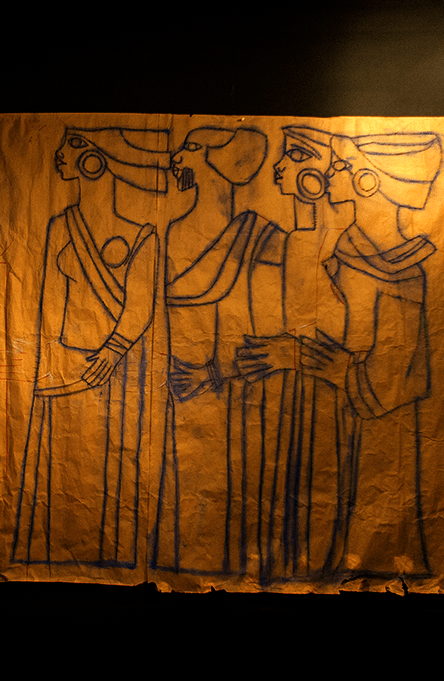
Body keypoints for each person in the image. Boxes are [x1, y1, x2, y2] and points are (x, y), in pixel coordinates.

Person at [12, 127, 168, 568]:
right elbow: (48, 309)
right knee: (61, 468)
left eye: (73, 145)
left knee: (113, 467)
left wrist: (113, 351)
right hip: (65, 368)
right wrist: (48, 370)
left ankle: (113, 560)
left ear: (95, 160)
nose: (61, 155)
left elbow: (140, 307)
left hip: (115, 372)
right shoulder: (60, 227)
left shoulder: (143, 236)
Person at [150, 126, 288, 577]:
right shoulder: (172, 232)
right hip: (180, 391)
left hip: (238, 389)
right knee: (185, 496)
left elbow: (272, 321)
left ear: (217, 159)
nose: (177, 156)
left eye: (191, 147)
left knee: (240, 490)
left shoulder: (263, 237)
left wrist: (215, 372)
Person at [302, 132, 441, 577]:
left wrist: (338, 367)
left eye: (340, 166)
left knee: (369, 521)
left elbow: (396, 375)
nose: (329, 174)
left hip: (377, 427)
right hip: (337, 410)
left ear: (368, 180)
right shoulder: (349, 250)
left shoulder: (402, 271)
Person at [234, 125, 348, 581]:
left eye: (295, 157)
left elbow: (347, 330)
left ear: (319, 175)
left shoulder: (341, 243)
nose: (280, 167)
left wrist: (296, 355)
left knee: (319, 485)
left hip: (326, 393)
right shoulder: (296, 239)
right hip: (293, 391)